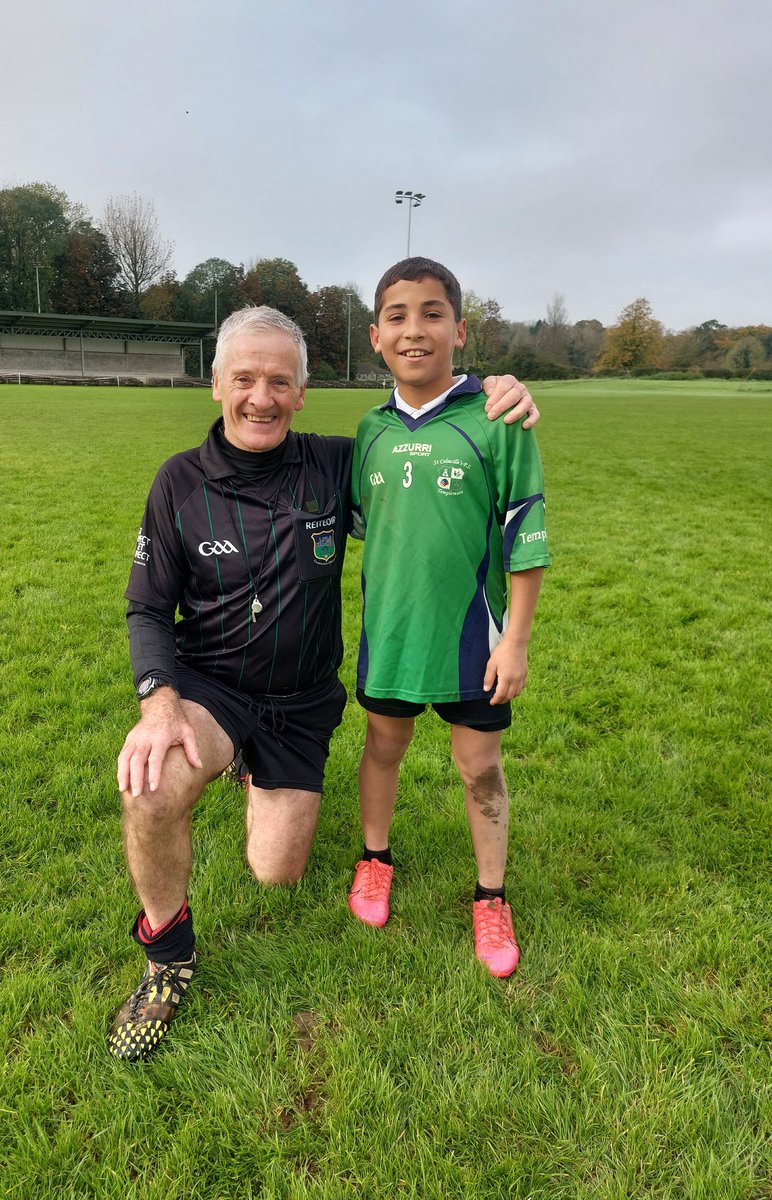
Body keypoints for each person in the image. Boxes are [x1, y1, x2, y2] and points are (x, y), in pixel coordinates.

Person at [110, 305, 539, 1060]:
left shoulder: (338, 464)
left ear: (302, 392)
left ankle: (254, 772)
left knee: (276, 875)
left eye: (280, 381)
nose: (261, 398)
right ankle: (168, 956)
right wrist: (158, 701)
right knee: (149, 786)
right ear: (216, 383)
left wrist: (500, 390)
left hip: (300, 705)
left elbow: (427, 458)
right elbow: (146, 604)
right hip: (208, 688)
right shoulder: (177, 483)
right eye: (244, 379)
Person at [347, 258, 550, 979]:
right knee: (382, 747)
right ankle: (375, 859)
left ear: (459, 331)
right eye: (397, 316)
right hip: (393, 637)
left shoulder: (498, 420)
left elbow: (525, 540)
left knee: (478, 767)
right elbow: (368, 527)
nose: (415, 330)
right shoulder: (368, 431)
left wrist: (516, 642)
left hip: (475, 642)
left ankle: (490, 896)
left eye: (432, 314)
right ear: (376, 336)